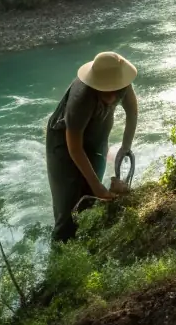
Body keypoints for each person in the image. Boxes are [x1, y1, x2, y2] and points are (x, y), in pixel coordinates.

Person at [45, 49, 139, 241]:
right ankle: (60, 252)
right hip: (64, 144)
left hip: (97, 136)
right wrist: (98, 188)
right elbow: (75, 148)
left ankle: (86, 245)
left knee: (90, 200)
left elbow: (132, 111)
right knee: (68, 206)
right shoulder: (81, 99)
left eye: (115, 89)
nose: (112, 96)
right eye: (106, 89)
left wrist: (125, 147)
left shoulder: (123, 85)